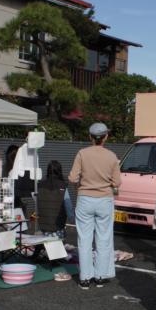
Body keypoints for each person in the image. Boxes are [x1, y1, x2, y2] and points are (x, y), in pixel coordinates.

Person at [68, 122, 122, 290]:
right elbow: (117, 182)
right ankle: (100, 276)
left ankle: (85, 278)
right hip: (105, 199)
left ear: (90, 137)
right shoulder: (112, 156)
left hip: (85, 198)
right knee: (104, 239)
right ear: (106, 137)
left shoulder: (82, 154)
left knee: (84, 239)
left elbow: (72, 178)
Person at [38, 160, 74, 240]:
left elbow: (38, 206)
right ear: (59, 171)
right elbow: (68, 207)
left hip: (42, 228)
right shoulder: (63, 187)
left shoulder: (39, 186)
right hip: (58, 228)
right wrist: (72, 220)